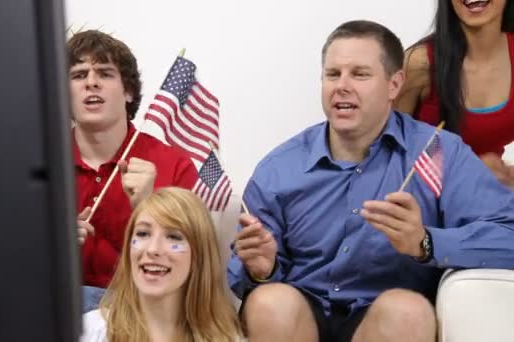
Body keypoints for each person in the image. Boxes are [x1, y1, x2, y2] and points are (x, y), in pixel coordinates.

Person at [227, 20, 514, 342]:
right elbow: (243, 273)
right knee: (269, 301)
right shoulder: (280, 167)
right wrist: (262, 270)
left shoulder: (438, 153)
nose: (342, 86)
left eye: (360, 74)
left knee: (405, 310)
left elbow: (509, 234)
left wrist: (426, 242)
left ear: (394, 85)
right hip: (301, 316)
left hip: (386, 319)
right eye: (333, 74)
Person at [67, 30, 199, 312]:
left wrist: (149, 208)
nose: (91, 83)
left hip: (143, 307)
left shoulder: (174, 164)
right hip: (57, 307)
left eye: (104, 73)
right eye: (79, 75)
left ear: (128, 91)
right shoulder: (38, 164)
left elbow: (194, 264)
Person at [80, 187, 243, 342]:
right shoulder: (90, 331)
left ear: (199, 255)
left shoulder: (229, 338)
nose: (153, 249)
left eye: (173, 237)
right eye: (143, 233)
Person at [395, 0, 514, 186]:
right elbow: (383, 156)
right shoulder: (419, 64)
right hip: (422, 202)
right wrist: (471, 171)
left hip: (491, 203)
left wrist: (506, 175)